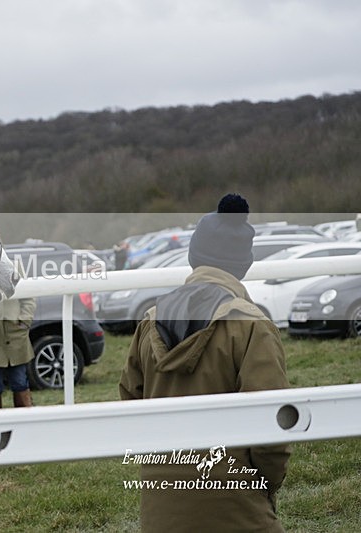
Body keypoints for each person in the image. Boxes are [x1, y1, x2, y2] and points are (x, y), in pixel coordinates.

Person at [119, 193, 291, 532]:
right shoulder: (252, 325)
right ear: (244, 264)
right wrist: (263, 485)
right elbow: (274, 430)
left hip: (159, 510)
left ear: (194, 256)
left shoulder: (149, 320)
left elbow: (130, 409)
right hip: (237, 508)